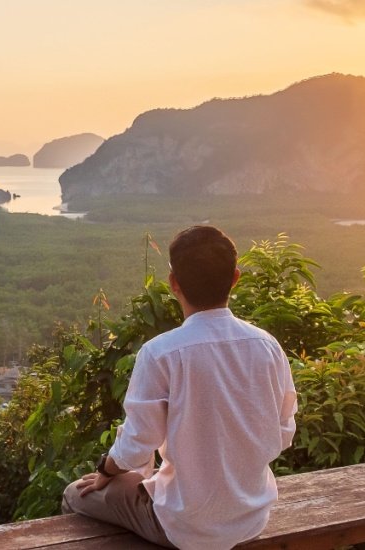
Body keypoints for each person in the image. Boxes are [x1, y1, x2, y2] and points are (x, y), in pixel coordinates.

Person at [62, 225, 298, 549]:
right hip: (252, 518)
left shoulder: (162, 353)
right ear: (235, 278)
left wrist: (106, 468)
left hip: (185, 527)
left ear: (174, 284)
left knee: (75, 495)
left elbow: (137, 444)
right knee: (141, 482)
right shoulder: (267, 346)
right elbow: (284, 432)